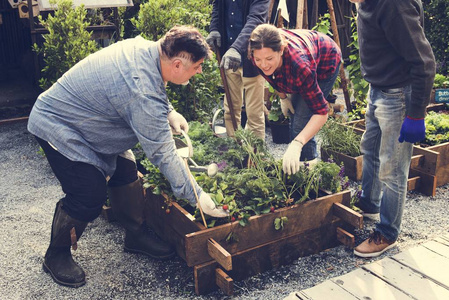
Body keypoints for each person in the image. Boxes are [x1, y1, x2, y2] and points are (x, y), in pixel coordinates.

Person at [27, 25, 228, 288]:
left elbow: (152, 84)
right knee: (89, 194)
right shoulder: (141, 91)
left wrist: (168, 111)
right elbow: (163, 153)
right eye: (198, 66)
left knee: (126, 169)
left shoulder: (146, 49)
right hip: (60, 124)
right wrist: (198, 196)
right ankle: (56, 254)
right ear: (177, 64)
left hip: (93, 120)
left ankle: (134, 235)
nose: (200, 70)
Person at [348, 0, 436, 258]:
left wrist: (416, 114)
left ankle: (387, 233)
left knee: (392, 167)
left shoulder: (394, 4)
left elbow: (424, 62)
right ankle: (369, 203)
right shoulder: (365, 2)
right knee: (370, 150)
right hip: (377, 88)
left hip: (397, 94)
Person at [248, 23, 342, 175]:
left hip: (326, 59)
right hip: (307, 55)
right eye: (259, 59)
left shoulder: (299, 66)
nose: (263, 64)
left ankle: (309, 171)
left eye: (269, 58)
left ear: (281, 50)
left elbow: (321, 112)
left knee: (300, 124)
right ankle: (299, 166)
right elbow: (272, 77)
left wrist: (297, 144)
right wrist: (283, 98)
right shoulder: (258, 54)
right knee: (296, 117)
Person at [206, 0, 270, 140]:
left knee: (254, 113)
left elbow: (255, 21)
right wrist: (214, 28)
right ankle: (234, 150)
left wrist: (237, 48)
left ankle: (255, 155)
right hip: (228, 57)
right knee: (230, 111)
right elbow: (217, 7)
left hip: (252, 58)